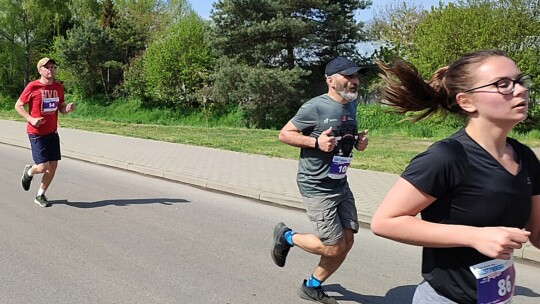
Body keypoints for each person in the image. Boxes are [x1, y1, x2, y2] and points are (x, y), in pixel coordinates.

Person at [370, 50, 540, 304]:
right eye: (502, 84)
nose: (519, 90)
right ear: (467, 102)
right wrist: (475, 236)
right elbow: (385, 221)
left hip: (497, 299)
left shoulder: (524, 156)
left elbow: (537, 234)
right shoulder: (447, 156)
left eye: (519, 80)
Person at [271, 56, 369, 304]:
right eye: (348, 76)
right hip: (316, 186)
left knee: (347, 241)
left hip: (340, 182)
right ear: (330, 80)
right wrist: (315, 142)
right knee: (334, 246)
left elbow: (340, 136)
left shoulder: (350, 105)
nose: (354, 81)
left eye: (356, 76)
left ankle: (312, 285)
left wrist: (356, 141)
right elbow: (285, 134)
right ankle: (286, 237)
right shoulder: (314, 107)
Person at [15, 57, 75, 207]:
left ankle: (40, 195)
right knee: (43, 166)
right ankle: (29, 172)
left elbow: (60, 106)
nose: (50, 69)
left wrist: (66, 109)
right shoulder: (33, 86)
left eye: (52, 66)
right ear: (40, 70)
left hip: (52, 132)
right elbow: (18, 105)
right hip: (36, 132)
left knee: (53, 165)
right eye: (46, 67)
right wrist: (31, 119)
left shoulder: (58, 87)